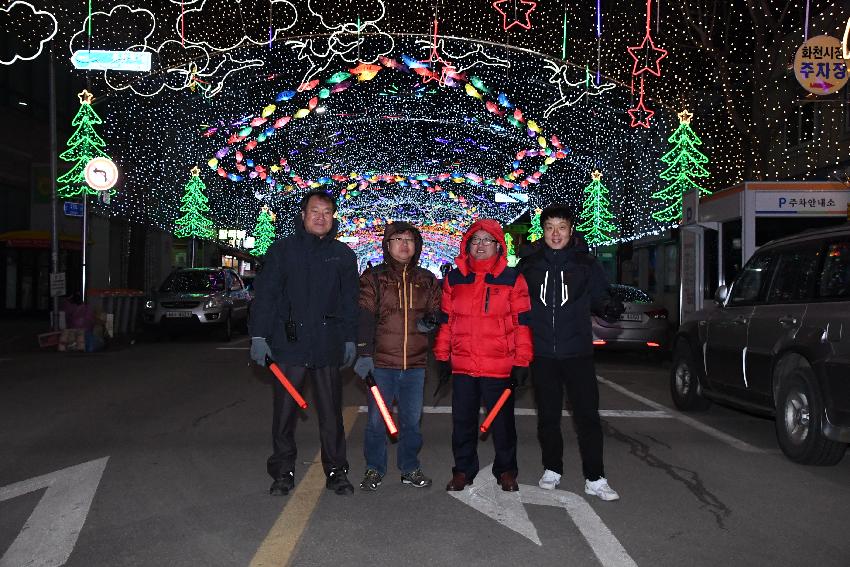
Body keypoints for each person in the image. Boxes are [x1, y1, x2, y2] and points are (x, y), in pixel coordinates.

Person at [249, 190, 359, 496]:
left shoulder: (343, 255)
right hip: (289, 344)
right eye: (315, 211)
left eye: (327, 212)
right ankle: (283, 471)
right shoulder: (282, 251)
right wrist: (259, 336)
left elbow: (351, 302)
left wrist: (351, 339)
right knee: (284, 412)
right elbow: (266, 296)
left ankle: (337, 471)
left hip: (328, 344)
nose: (321, 217)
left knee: (331, 414)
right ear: (303, 215)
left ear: (333, 217)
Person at [517, 204, 624, 501]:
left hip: (577, 351)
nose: (555, 233)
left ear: (571, 230)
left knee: (587, 416)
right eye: (550, 227)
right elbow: (516, 305)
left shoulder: (585, 264)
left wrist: (608, 308)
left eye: (561, 227)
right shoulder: (529, 264)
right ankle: (552, 468)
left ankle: (595, 477)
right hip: (542, 353)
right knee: (548, 416)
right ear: (543, 230)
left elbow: (601, 296)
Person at [434, 219, 533, 492]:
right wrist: (442, 356)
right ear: (467, 245)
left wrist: (522, 361)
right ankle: (463, 470)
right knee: (462, 422)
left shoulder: (513, 278)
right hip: (463, 364)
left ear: (498, 246)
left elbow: (521, 323)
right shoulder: (454, 279)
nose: (480, 245)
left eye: (487, 240)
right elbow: (446, 321)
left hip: (499, 364)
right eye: (475, 240)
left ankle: (507, 470)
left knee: (503, 424)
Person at [353, 221, 442, 491]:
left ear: (417, 246)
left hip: (415, 365)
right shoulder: (373, 278)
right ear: (387, 245)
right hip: (381, 364)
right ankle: (374, 468)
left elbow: (437, 310)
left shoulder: (426, 279)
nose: (405, 245)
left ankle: (410, 468)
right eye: (398, 239)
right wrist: (364, 351)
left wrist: (432, 320)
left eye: (410, 240)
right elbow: (364, 315)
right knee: (377, 422)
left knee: (412, 422)